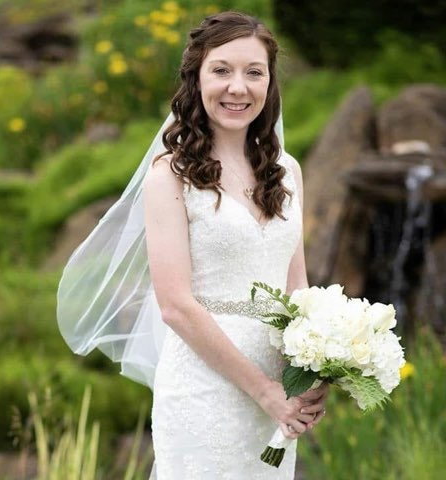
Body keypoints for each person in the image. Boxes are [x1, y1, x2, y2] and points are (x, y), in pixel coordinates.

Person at [57, 11, 328, 480]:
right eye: (221, 70)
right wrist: (264, 391)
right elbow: (176, 306)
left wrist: (314, 369)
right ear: (196, 79)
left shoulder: (288, 171)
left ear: (270, 82)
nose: (237, 87)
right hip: (205, 390)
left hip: (279, 396)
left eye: (253, 72)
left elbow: (296, 284)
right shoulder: (171, 175)